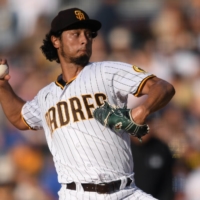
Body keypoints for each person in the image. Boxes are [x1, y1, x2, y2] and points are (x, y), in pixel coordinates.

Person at [0, 7, 175, 200]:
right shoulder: (45, 96)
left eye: (88, 34)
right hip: (76, 194)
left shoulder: (106, 71)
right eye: (75, 34)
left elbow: (163, 87)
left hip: (126, 191)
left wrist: (143, 109)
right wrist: (2, 86)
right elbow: (19, 117)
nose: (84, 39)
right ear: (56, 40)